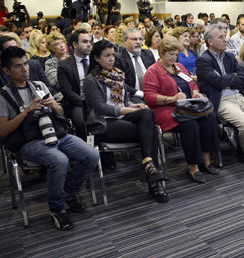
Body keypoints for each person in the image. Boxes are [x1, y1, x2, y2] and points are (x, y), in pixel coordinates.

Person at [0, 46, 98, 230]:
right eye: (18, 66)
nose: (25, 69)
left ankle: (69, 193)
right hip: (29, 142)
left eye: (26, 64)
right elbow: (2, 132)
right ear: (7, 71)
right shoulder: (1, 96)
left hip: (55, 133)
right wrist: (26, 111)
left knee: (91, 155)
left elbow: (60, 112)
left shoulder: (39, 86)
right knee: (60, 160)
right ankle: (56, 208)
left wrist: (55, 106)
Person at [84, 40, 167, 201]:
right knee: (149, 134)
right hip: (103, 124)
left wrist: (132, 105)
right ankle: (154, 184)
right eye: (106, 56)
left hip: (121, 117)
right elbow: (102, 108)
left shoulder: (117, 74)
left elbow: (125, 100)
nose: (111, 59)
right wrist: (129, 109)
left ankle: (147, 162)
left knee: (146, 113)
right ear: (96, 58)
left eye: (112, 55)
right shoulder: (91, 80)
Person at [143, 36, 221, 183]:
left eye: (176, 54)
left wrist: (196, 92)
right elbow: (149, 98)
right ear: (161, 52)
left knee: (209, 118)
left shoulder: (179, 67)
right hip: (167, 109)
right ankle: (192, 167)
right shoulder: (153, 71)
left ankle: (206, 160)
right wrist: (171, 99)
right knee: (190, 124)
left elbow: (193, 84)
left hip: (186, 107)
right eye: (170, 54)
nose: (174, 57)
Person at [196, 24, 244, 164]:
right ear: (210, 41)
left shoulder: (229, 57)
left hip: (239, 96)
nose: (225, 40)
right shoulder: (203, 60)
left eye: (225, 37)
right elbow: (219, 82)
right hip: (222, 101)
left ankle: (235, 132)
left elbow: (243, 80)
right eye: (221, 37)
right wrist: (231, 77)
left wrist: (224, 78)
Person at [0, 35, 52, 105]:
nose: (15, 51)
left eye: (16, 47)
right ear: (0, 53)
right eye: (10, 49)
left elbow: (48, 87)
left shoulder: (34, 65)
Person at [114, 28, 155, 103]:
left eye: (140, 39)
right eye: (134, 39)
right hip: (133, 95)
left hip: (153, 93)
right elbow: (120, 82)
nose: (138, 42)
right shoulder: (119, 58)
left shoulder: (148, 54)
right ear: (125, 41)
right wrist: (140, 93)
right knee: (147, 110)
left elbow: (157, 74)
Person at [45, 32, 69, 103]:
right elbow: (57, 83)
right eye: (57, 44)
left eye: (62, 42)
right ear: (52, 48)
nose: (62, 45)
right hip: (61, 95)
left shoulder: (71, 58)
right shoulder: (50, 63)